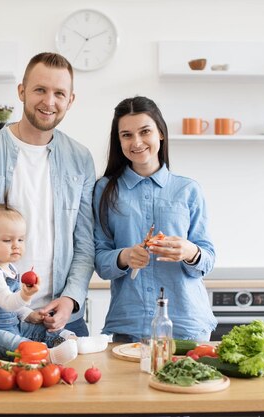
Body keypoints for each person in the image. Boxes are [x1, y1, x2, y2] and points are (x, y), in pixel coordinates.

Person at [0, 52, 96, 338]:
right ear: (21, 91)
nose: (49, 102)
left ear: (70, 100)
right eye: (40, 90)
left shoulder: (80, 159)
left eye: (59, 93)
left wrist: (71, 299)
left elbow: (85, 245)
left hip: (62, 321)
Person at [93, 96, 217, 343]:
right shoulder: (106, 190)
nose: (136, 142)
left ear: (160, 133)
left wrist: (190, 251)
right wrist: (125, 256)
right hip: (130, 322)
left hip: (187, 323)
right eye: (126, 135)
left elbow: (208, 259)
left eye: (145, 131)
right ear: (119, 141)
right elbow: (99, 259)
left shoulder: (188, 189)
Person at [0, 203, 78, 363]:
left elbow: (12, 310)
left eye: (21, 239)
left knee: (40, 329)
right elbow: (8, 302)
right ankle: (48, 356)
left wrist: (29, 314)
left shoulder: (11, 269)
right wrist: (25, 294)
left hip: (12, 325)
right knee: (15, 343)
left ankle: (73, 341)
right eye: (7, 240)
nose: (16, 245)